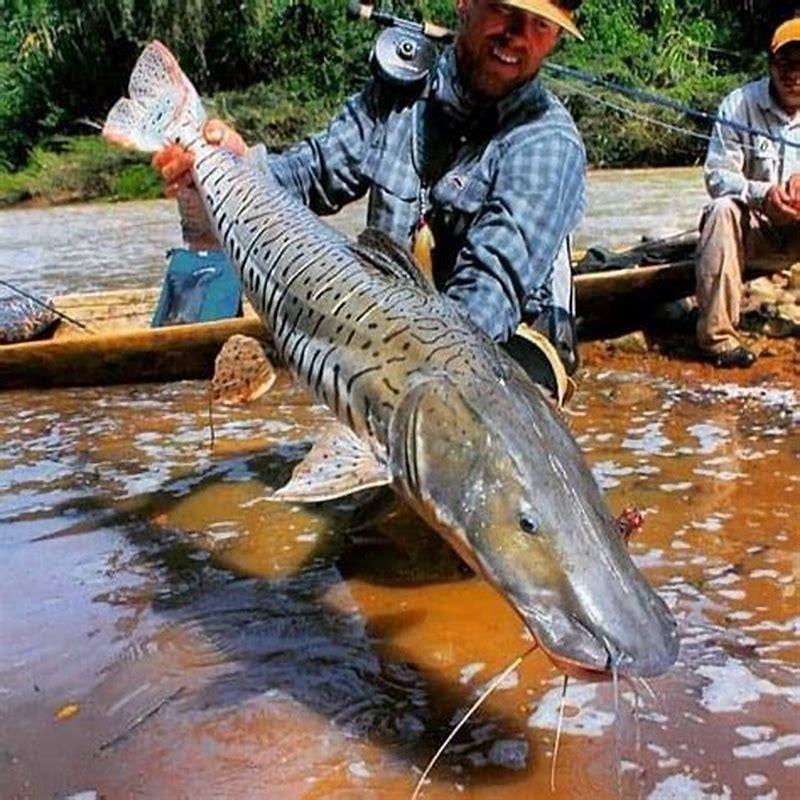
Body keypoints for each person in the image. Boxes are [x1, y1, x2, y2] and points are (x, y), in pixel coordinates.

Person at [154, 0, 587, 382]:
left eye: (540, 25)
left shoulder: (548, 144)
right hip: (392, 335)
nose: (518, 37)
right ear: (465, 3)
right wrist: (232, 164)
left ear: (553, 40)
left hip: (503, 352)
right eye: (505, 11)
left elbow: (488, 299)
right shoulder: (397, 96)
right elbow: (311, 175)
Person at [696, 15, 800, 368]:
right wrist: (764, 195)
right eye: (785, 64)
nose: (794, 75)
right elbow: (718, 177)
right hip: (755, 229)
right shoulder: (738, 104)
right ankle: (719, 341)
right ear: (770, 64)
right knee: (721, 209)